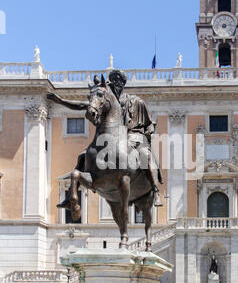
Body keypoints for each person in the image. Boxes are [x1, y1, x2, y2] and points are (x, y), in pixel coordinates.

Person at [48, 70, 163, 210]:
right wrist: (60, 101)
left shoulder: (136, 102)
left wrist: (147, 136)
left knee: (146, 155)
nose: (115, 84)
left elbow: (150, 124)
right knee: (84, 156)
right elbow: (83, 105)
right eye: (113, 81)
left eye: (119, 81)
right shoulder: (107, 101)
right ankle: (70, 198)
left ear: (123, 84)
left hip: (135, 136)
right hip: (113, 137)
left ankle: (156, 190)